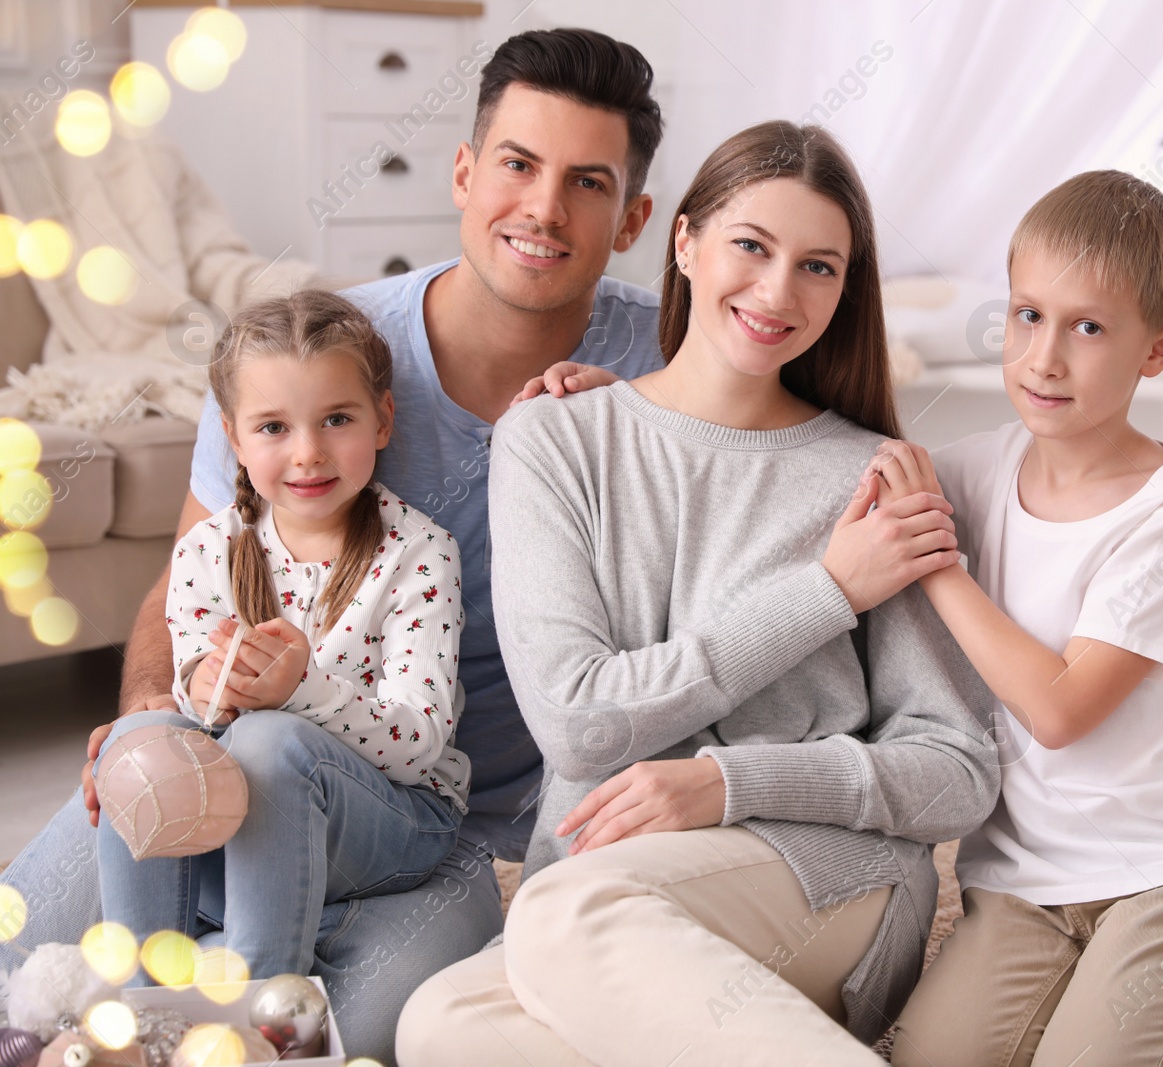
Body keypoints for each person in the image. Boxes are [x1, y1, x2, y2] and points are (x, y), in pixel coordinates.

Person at [1, 28, 664, 1061]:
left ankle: (236, 966)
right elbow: (186, 576)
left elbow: (812, 427)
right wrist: (149, 715)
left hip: (443, 829)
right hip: (236, 774)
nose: (542, 208)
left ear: (631, 218)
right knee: (19, 956)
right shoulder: (321, 358)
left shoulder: (665, 365)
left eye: (586, 182)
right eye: (517, 165)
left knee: (362, 1024)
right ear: (464, 170)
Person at [394, 121, 1000, 1067]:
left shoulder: (874, 478)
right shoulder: (555, 440)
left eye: (818, 267)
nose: (776, 290)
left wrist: (730, 784)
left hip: (827, 883)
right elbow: (580, 726)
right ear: (684, 242)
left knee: (565, 914)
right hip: (604, 897)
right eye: (751, 246)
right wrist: (826, 589)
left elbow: (956, 770)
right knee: (442, 1027)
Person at [878, 171, 1163, 1066]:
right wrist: (639, 400)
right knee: (925, 1058)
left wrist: (941, 567)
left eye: (1088, 327)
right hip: (1022, 880)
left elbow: (1059, 710)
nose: (1044, 357)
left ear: (1158, 350)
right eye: (1027, 316)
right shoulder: (979, 467)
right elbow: (833, 466)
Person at [97, 289, 468, 983]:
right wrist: (202, 695)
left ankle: (266, 1011)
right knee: (134, 738)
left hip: (398, 822)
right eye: (273, 427)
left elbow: (419, 746)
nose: (308, 453)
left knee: (271, 743)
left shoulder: (419, 553)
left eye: (336, 418)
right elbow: (192, 718)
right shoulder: (208, 551)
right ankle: (144, 1005)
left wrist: (301, 689)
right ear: (233, 439)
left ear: (382, 419)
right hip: (244, 820)